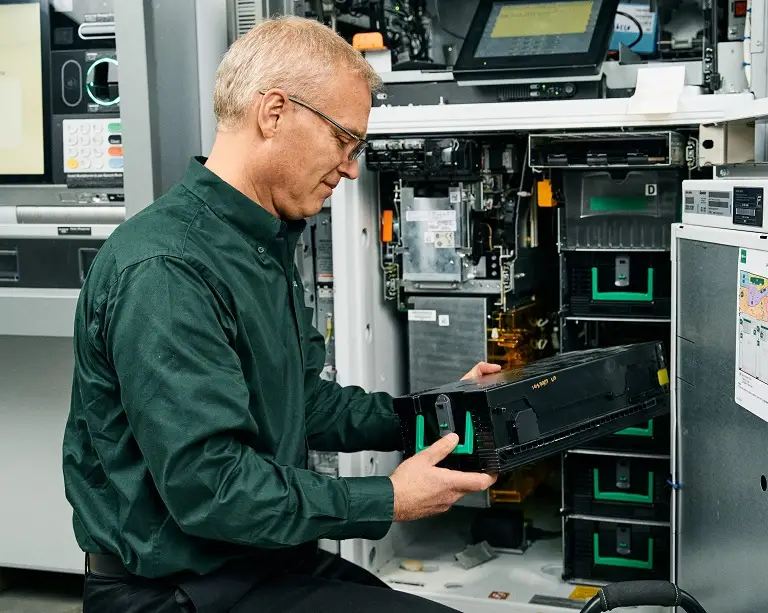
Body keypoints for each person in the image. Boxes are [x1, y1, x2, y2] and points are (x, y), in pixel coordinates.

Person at [62, 16, 498, 613]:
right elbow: (212, 487)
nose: (350, 168)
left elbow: (302, 403)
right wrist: (387, 499)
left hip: (258, 559)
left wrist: (439, 410)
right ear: (273, 113)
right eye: (345, 140)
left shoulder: (258, 244)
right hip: (175, 592)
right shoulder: (166, 270)